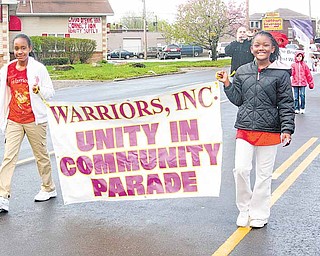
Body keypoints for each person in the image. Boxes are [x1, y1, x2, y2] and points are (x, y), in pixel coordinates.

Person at [216, 31, 295, 228]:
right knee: (241, 170)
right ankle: (244, 209)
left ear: (272, 49)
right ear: (251, 49)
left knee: (263, 175)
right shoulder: (242, 71)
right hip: (245, 128)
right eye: (257, 45)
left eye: (265, 45)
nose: (261, 48)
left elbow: (286, 103)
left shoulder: (281, 74)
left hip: (269, 130)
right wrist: (227, 83)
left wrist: (287, 128)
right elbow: (237, 99)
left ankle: (259, 213)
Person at [0, 34, 57, 213]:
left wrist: (39, 90)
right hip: (14, 119)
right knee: (8, 158)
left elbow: (50, 92)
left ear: (30, 49)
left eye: (23, 48)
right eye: (16, 48)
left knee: (41, 156)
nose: (19, 52)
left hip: (35, 120)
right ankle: (3, 196)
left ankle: (48, 188)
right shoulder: (7, 69)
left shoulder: (38, 68)